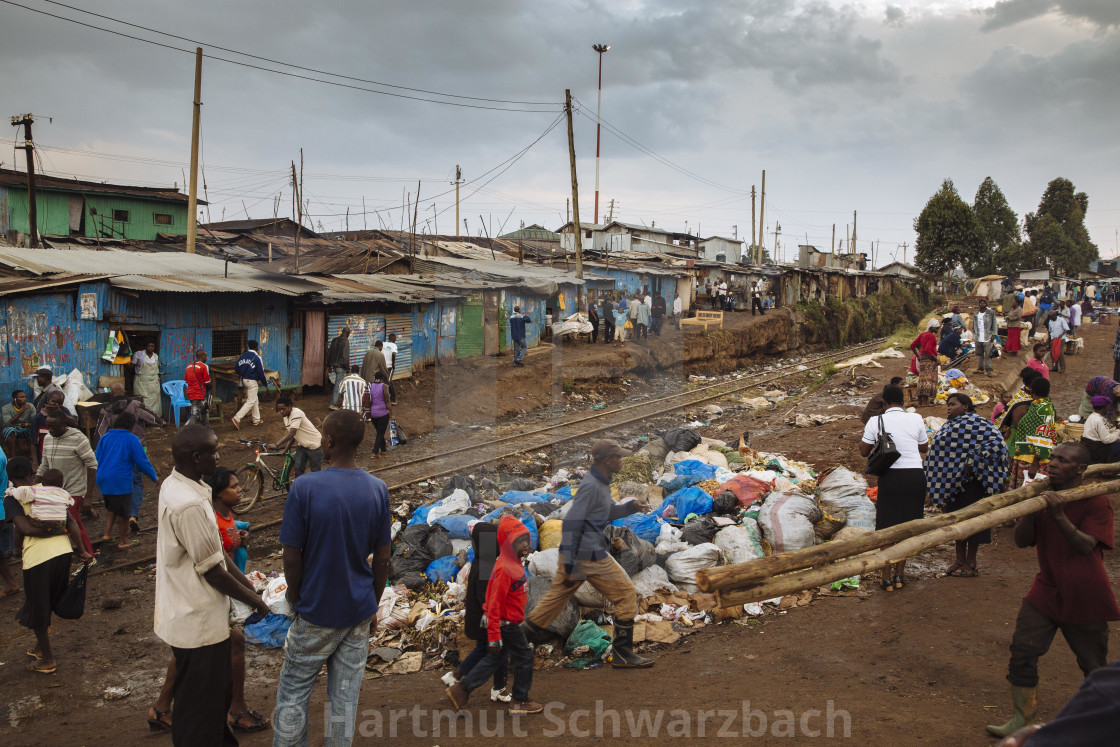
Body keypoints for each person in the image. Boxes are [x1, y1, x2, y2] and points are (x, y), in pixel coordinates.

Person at [274, 409, 392, 747]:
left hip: (315, 611)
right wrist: (371, 604)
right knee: (344, 699)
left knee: (294, 694)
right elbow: (382, 560)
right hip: (356, 612)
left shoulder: (304, 487)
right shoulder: (377, 489)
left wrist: (296, 599)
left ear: (328, 441)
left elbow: (291, 557)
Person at [986, 442, 1120, 738]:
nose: (1053, 464)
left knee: (1093, 665)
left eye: (1063, 460)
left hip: (1086, 594)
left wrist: (1058, 513)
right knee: (1022, 650)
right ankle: (1022, 717)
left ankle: (1100, 725)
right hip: (1047, 588)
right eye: (1054, 458)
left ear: (1081, 470)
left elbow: (1086, 545)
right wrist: (1033, 509)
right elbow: (1022, 541)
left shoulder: (1096, 501)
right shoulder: (1043, 496)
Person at [155, 425, 270, 746]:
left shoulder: (180, 485)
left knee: (208, 704)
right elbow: (212, 570)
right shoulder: (189, 504)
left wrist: (246, 582)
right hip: (198, 623)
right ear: (196, 457)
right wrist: (256, 601)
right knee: (198, 713)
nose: (218, 456)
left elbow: (216, 553)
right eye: (213, 451)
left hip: (192, 615)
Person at [521, 439, 653, 668]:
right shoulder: (593, 485)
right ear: (606, 460)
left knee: (551, 606)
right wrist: (573, 562)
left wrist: (630, 507)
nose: (621, 461)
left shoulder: (598, 483)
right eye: (617, 457)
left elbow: (607, 511)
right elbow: (572, 522)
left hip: (578, 554)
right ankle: (622, 654)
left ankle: (511, 644)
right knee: (625, 594)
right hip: (587, 555)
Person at [4, 456, 93, 674]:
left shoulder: (12, 498)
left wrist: (41, 532)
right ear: (32, 473)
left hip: (38, 558)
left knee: (38, 605)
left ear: (10, 477)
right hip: (63, 552)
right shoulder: (47, 490)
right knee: (49, 598)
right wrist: (80, 549)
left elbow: (25, 528)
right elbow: (70, 521)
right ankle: (39, 648)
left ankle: (48, 660)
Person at [446, 515, 542, 714]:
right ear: (506, 545)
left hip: (508, 622)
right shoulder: (505, 568)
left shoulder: (512, 563)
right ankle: (519, 700)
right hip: (505, 624)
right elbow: (493, 604)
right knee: (524, 656)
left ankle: (461, 689)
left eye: (526, 540)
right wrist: (494, 636)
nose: (524, 546)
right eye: (518, 542)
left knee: (494, 660)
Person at [926, 393, 1009, 577]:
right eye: (948, 404)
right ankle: (958, 560)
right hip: (952, 484)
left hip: (974, 484)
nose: (949, 407)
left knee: (974, 523)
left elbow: (998, 445)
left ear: (966, 406)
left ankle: (971, 562)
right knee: (956, 521)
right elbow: (941, 452)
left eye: (953, 404)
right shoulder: (949, 425)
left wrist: (974, 461)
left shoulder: (979, 424)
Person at [859, 385, 928, 591]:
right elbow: (923, 447)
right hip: (915, 476)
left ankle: (886, 577)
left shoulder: (876, 421)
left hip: (890, 476)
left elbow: (864, 451)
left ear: (884, 403)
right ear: (903, 402)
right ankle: (900, 575)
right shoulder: (916, 418)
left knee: (888, 526)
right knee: (908, 526)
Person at [147, 627, 270, 736]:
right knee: (233, 640)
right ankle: (237, 711)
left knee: (188, 646)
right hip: (199, 611)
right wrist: (257, 603)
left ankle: (161, 708)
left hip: (190, 612)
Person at [441, 521, 511, 703]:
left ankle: (455, 676)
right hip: (487, 620)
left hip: (480, 618)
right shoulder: (486, 567)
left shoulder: (481, 561)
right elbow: (486, 598)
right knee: (498, 652)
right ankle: (498, 688)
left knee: (483, 650)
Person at [95, 382, 163, 531]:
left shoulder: (105, 410)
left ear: (111, 394)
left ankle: (115, 521)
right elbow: (156, 419)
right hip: (138, 445)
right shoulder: (136, 404)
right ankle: (133, 515)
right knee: (137, 482)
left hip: (115, 452)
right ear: (125, 391)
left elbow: (100, 433)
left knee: (121, 483)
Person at [36, 412, 97, 558]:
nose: (50, 429)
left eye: (54, 426)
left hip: (74, 491)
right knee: (72, 524)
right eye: (48, 426)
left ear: (64, 425)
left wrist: (88, 496)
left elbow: (92, 465)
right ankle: (84, 554)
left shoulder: (78, 439)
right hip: (54, 492)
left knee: (72, 524)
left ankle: (86, 555)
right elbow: (45, 464)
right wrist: (35, 482)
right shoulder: (49, 438)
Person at [95, 412, 158, 551]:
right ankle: (123, 540)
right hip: (121, 479)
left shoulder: (104, 437)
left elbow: (97, 457)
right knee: (124, 513)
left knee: (111, 507)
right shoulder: (132, 439)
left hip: (103, 478)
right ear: (131, 426)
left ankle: (107, 534)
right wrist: (154, 477)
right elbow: (141, 461)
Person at [1007, 377, 1057, 488]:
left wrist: (1034, 465)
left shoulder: (1042, 409)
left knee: (1026, 493)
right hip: (1026, 456)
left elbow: (1043, 436)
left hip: (1032, 460)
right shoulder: (1040, 405)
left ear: (1032, 391)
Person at [207, 467, 251, 573]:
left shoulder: (226, 515)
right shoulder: (214, 523)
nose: (240, 489)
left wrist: (239, 536)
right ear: (218, 492)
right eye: (234, 486)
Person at [267, 397, 323, 477]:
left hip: (314, 444)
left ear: (290, 406)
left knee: (315, 471)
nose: (281, 411)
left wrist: (276, 444)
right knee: (298, 468)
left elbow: (292, 432)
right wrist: (286, 449)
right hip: (302, 445)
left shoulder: (296, 413)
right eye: (279, 409)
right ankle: (298, 488)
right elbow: (293, 435)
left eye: (283, 409)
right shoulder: (285, 417)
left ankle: (316, 489)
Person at [232, 341, 273, 430]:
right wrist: (265, 384)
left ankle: (256, 419)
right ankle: (237, 418)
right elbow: (261, 373)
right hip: (251, 381)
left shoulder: (243, 356)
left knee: (254, 399)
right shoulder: (257, 358)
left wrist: (243, 374)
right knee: (251, 401)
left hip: (244, 380)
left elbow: (236, 368)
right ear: (257, 347)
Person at [29, 390, 76, 469]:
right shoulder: (38, 418)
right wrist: (35, 462)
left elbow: (75, 424)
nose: (56, 405)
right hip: (45, 457)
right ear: (48, 401)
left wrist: (60, 412)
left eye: (60, 403)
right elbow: (33, 442)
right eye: (53, 401)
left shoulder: (64, 411)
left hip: (63, 454)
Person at [1080, 395, 1120, 464]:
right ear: (1104, 408)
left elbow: (1105, 430)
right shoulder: (1099, 420)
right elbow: (1106, 440)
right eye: (1107, 406)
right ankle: (1111, 467)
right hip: (1096, 449)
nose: (1108, 408)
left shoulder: (1092, 416)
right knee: (1118, 444)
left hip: (1088, 444)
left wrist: (1115, 430)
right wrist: (1118, 432)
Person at [362, 370, 392, 458]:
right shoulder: (384, 386)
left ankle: (383, 450)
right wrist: (392, 413)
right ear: (383, 379)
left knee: (380, 431)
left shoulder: (370, 385)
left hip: (372, 414)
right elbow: (387, 401)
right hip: (383, 413)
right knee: (380, 433)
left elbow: (367, 400)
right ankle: (374, 452)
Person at [910, 320, 940, 407]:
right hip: (929, 360)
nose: (937, 330)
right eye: (936, 328)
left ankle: (920, 402)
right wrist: (936, 359)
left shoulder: (922, 334)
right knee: (928, 381)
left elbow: (912, 345)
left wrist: (918, 356)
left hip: (923, 360)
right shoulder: (931, 336)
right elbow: (927, 350)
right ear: (931, 327)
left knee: (922, 380)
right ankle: (924, 403)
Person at [132, 341, 163, 418]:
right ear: (145, 347)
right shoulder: (138, 354)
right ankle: (143, 418)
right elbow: (132, 365)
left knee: (154, 399)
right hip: (142, 381)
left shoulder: (156, 356)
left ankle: (155, 417)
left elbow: (158, 365)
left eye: (152, 346)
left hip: (154, 381)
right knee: (143, 399)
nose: (150, 348)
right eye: (149, 346)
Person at [184, 348, 213, 427]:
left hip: (190, 393)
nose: (206, 358)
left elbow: (186, 381)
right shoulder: (204, 366)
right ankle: (184, 431)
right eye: (206, 356)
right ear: (202, 356)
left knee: (204, 411)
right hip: (199, 393)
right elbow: (207, 382)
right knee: (195, 415)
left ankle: (206, 430)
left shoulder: (189, 366)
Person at [326, 326, 352, 410]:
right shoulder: (345, 341)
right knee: (338, 385)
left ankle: (342, 402)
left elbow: (329, 353)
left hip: (334, 365)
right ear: (347, 333)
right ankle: (333, 404)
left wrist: (328, 365)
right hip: (341, 366)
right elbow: (345, 356)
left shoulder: (335, 340)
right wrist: (347, 367)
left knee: (339, 384)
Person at [2, 389, 33, 456]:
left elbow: (35, 421)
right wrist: (21, 411)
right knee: (10, 430)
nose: (24, 399)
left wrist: (29, 424)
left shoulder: (30, 406)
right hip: (12, 427)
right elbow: (8, 423)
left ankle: (32, 455)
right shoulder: (6, 408)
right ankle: (12, 457)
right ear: (14, 399)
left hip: (24, 428)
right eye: (21, 397)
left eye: (25, 397)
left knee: (34, 430)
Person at [973, 298, 997, 376]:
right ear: (979, 304)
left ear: (986, 304)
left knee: (988, 354)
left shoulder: (990, 313)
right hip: (978, 337)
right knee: (979, 354)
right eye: (981, 303)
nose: (982, 304)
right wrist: (974, 334)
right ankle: (980, 368)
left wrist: (993, 334)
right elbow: (974, 325)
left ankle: (989, 369)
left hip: (987, 336)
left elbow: (994, 324)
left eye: (984, 303)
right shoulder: (976, 314)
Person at [382, 334, 399, 404]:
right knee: (389, 381)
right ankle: (393, 399)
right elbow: (394, 354)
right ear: (394, 339)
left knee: (384, 381)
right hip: (389, 366)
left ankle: (385, 396)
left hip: (382, 365)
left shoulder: (383, 344)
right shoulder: (394, 345)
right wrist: (393, 364)